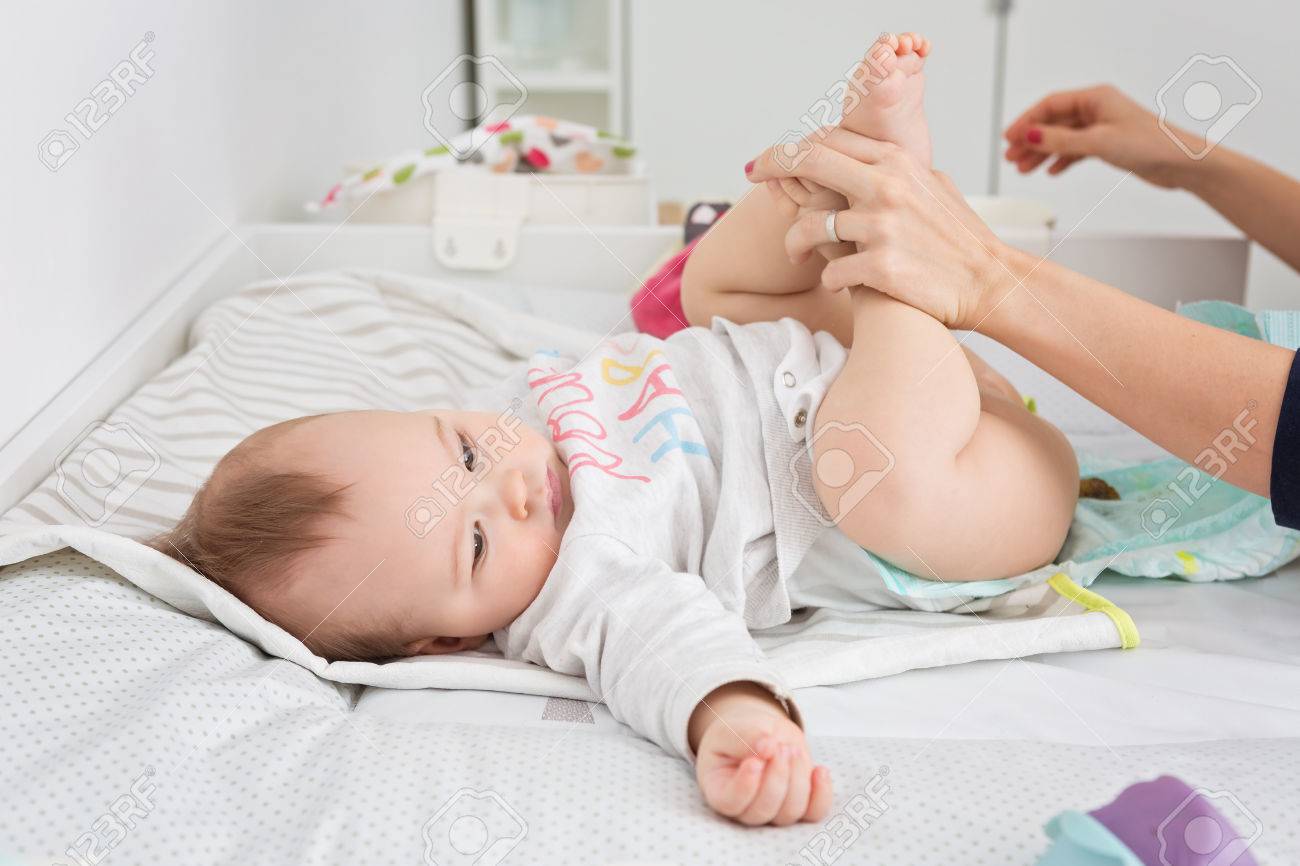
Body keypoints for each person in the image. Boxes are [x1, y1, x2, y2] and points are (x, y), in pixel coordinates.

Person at [152, 32, 1080, 827]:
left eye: (465, 453)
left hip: (845, 365)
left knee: (711, 288)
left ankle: (841, 173)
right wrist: (736, 719)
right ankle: (896, 260)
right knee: (872, 478)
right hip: (969, 480)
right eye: (476, 543)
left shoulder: (515, 407)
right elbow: (665, 649)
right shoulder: (575, 592)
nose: (510, 487)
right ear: (447, 642)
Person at [730, 83, 1300, 528]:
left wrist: (980, 276)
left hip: (807, 456)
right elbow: (718, 298)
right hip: (718, 387)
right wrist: (1189, 159)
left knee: (903, 485)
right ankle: (858, 174)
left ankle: (870, 198)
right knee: (722, 293)